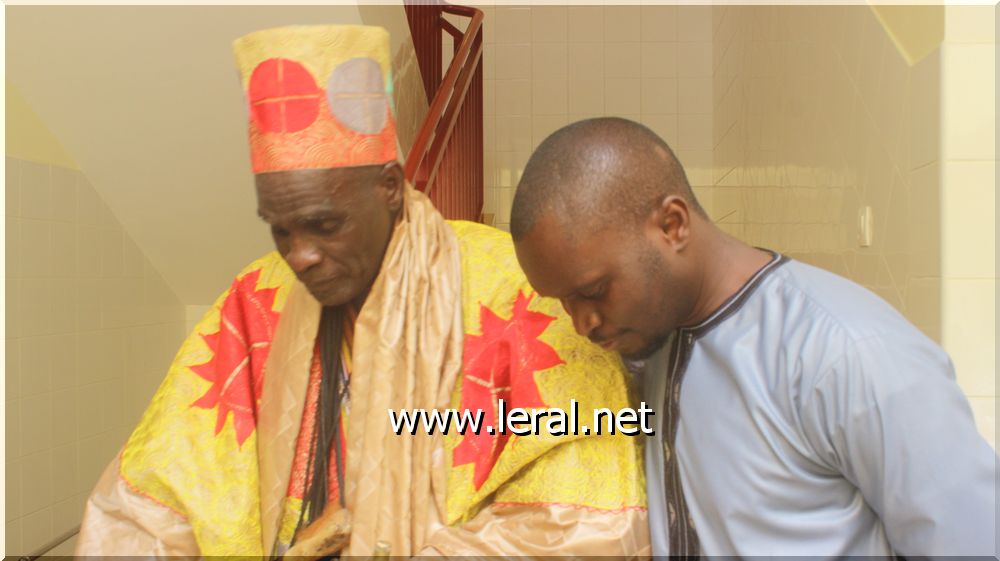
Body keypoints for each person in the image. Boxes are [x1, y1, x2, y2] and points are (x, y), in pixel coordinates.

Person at [75, 27, 650, 557]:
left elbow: (586, 524)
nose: (299, 255)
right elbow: (147, 508)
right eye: (281, 228)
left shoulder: (516, 293)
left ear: (390, 189)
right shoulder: (254, 302)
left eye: (326, 225)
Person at [510, 116, 998, 557]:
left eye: (594, 291)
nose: (583, 323)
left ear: (672, 225)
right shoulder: (649, 346)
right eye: (563, 302)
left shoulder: (847, 352)